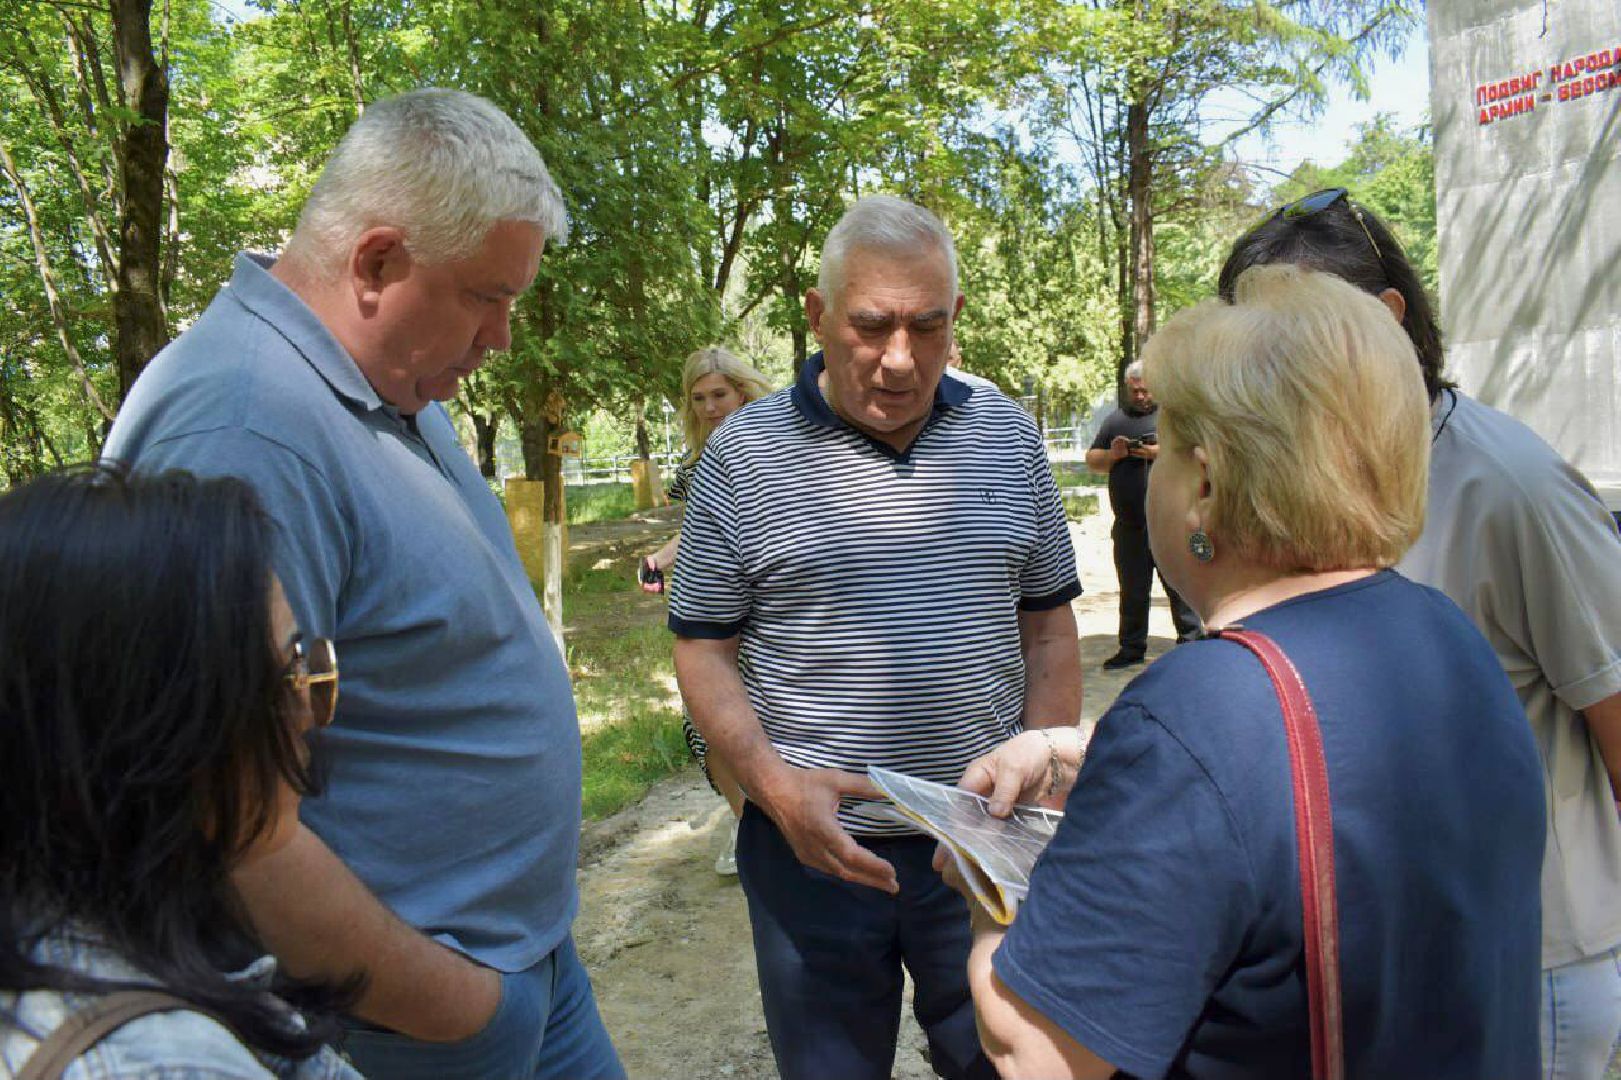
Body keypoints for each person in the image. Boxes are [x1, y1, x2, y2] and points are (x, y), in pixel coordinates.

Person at [102, 89, 623, 1079]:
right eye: (487, 295)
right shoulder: (241, 428)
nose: (503, 336)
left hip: (519, 974)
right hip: (405, 1021)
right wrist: (450, 1005)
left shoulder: (386, 374)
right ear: (379, 262)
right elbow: (222, 820)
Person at [945, 265, 1545, 1078]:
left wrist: (989, 880)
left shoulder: (1193, 712)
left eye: (1163, 447)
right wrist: (1090, 757)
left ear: (1205, 482)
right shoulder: (1443, 633)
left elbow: (1033, 1052)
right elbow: (1319, 790)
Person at [669, 194, 1084, 1080]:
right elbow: (701, 646)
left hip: (979, 838)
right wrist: (772, 789)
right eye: (871, 327)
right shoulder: (740, 456)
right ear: (817, 316)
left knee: (1005, 1063)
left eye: (927, 329)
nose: (900, 361)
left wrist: (1038, 785)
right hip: (808, 853)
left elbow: (1048, 627)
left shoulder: (1007, 437)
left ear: (955, 321)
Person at [1219, 188, 1621, 1080]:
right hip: (1393, 959)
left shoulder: (1508, 487)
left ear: (1389, 320)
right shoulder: (1309, 493)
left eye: (1293, 341)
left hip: (1532, 958)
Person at [0, 465, 358, 1079]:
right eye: (284, 676)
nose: (310, 712)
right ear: (156, 734)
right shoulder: (161, 1068)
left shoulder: (73, 932)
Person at [638, 345, 773, 875]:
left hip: (768, 608)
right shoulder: (698, 465)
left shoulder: (777, 446)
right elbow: (700, 531)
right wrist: (661, 557)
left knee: (764, 713)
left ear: (742, 391)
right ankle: (750, 827)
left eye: (719, 394)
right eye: (699, 398)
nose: (711, 407)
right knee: (704, 720)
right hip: (710, 611)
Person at [1085, 361, 1201, 668]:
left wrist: (1159, 452)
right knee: (1133, 590)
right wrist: (1115, 454)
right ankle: (1131, 648)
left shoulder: (1173, 419)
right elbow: (1093, 459)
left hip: (1169, 522)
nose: (1140, 396)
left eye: (1145, 390)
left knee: (1179, 586)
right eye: (1135, 390)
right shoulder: (1115, 421)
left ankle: (1192, 642)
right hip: (1129, 526)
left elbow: (1198, 455)